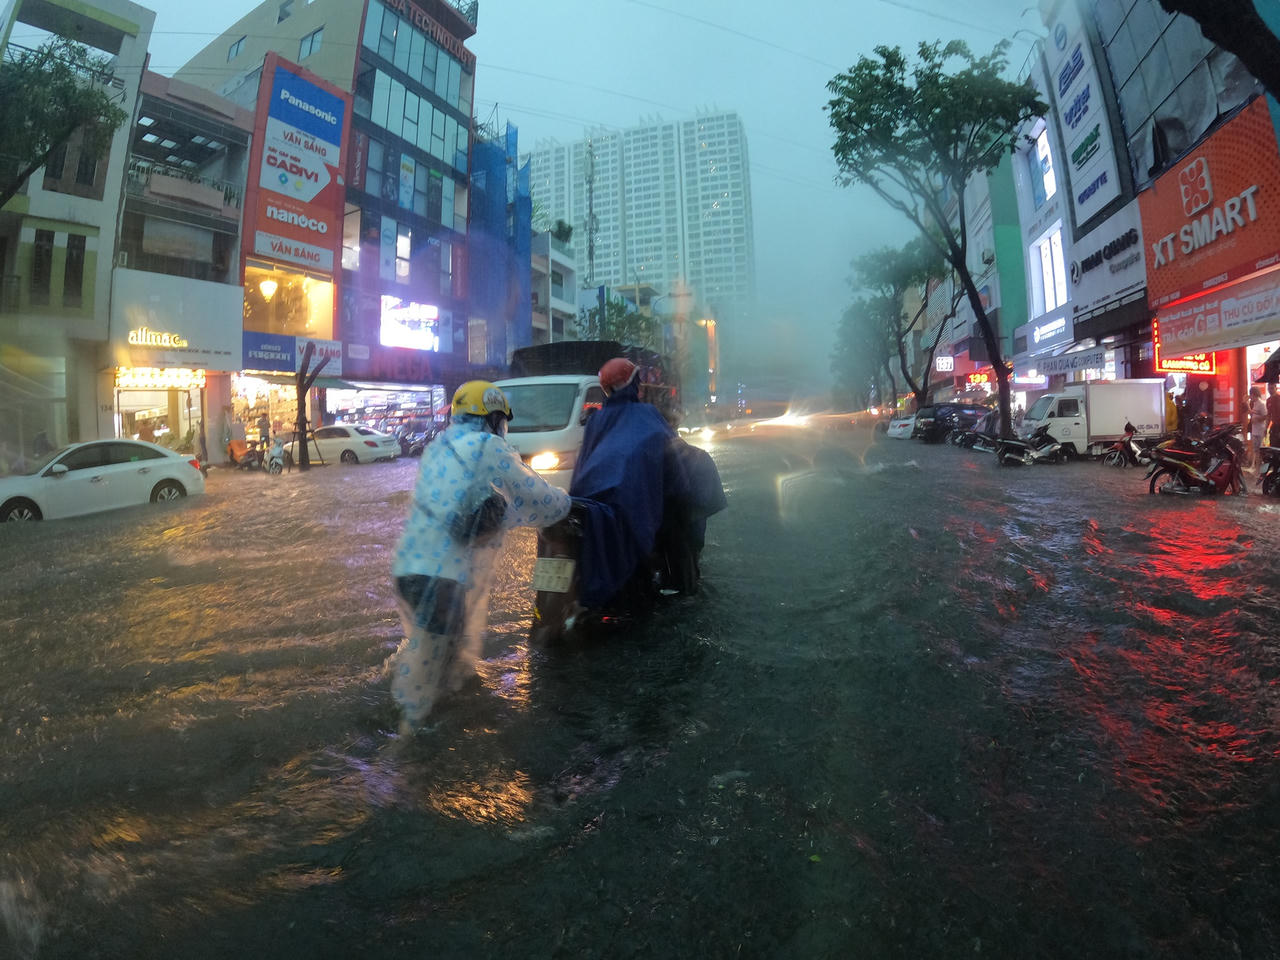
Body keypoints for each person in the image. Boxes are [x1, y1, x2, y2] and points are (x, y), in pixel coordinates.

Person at [390, 380, 570, 731]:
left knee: (435, 657)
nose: (501, 428)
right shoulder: (488, 446)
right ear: (491, 419)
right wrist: (566, 501)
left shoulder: (439, 447)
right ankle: (405, 750)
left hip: (407, 572)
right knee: (432, 685)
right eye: (500, 420)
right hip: (441, 579)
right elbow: (534, 493)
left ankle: (422, 716)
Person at [568, 358, 721, 610]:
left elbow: (584, 464)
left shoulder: (597, 420)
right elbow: (674, 462)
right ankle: (679, 587)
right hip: (633, 503)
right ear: (634, 385)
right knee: (678, 526)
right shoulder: (648, 415)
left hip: (592, 502)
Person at [1248, 387, 1268, 468]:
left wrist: (1257, 419)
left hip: (1260, 429)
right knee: (1255, 449)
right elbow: (1252, 413)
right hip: (1254, 429)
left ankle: (1259, 466)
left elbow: (1265, 416)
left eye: (1251, 395)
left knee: (1260, 449)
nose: (1250, 396)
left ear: (1254, 394)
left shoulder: (1261, 404)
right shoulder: (1254, 403)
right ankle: (1254, 465)